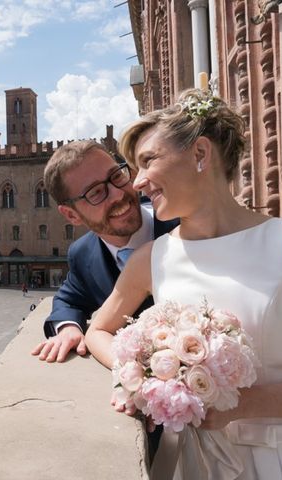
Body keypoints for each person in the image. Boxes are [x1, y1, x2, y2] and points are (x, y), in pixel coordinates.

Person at [85, 89, 282, 478]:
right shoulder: (150, 259)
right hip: (189, 465)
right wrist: (144, 379)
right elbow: (98, 331)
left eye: (148, 161)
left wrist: (242, 405)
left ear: (200, 154)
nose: (137, 183)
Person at [31, 139, 178, 363]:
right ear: (72, 215)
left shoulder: (182, 223)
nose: (118, 194)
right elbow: (69, 300)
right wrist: (68, 327)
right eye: (96, 192)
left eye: (117, 176)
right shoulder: (83, 253)